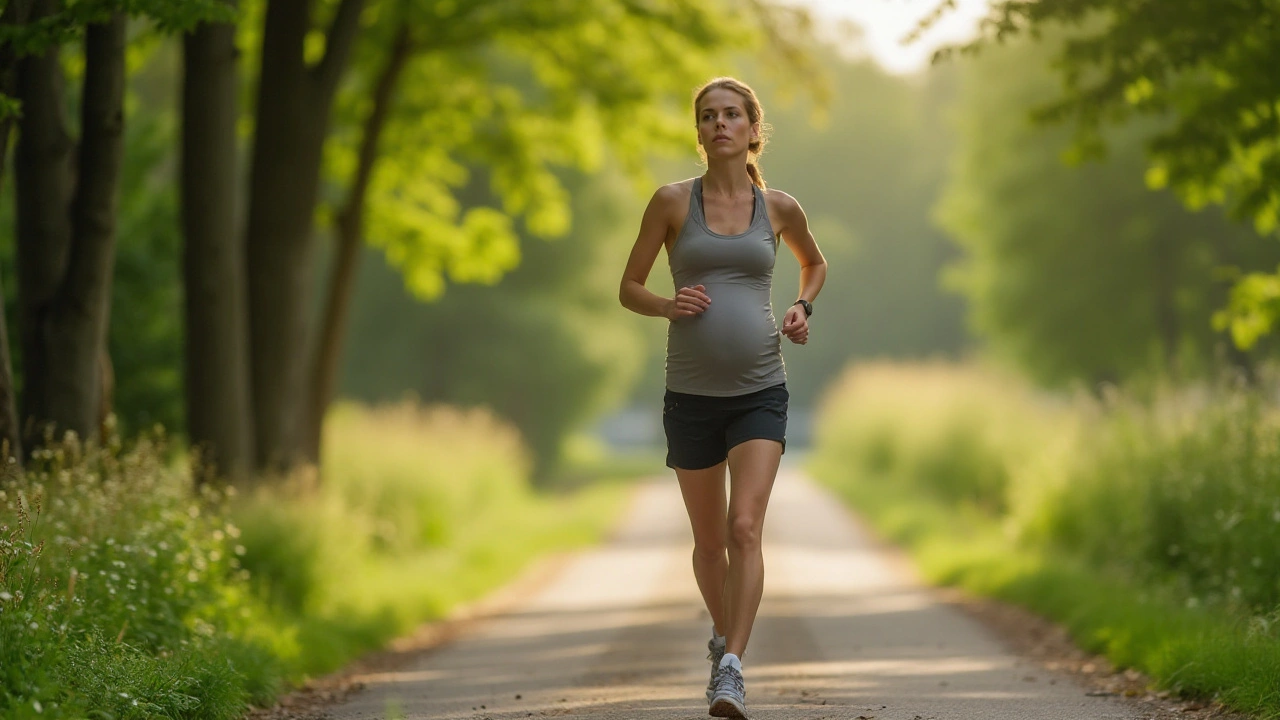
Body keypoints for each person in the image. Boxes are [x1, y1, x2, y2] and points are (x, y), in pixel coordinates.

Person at [618, 76, 827, 719]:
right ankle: (722, 640)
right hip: (690, 396)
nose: (719, 125)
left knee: (745, 527)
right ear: (700, 132)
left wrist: (800, 306)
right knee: (709, 542)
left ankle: (731, 666)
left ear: (752, 129)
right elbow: (629, 286)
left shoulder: (781, 208)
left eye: (731, 115)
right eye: (708, 116)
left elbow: (813, 265)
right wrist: (665, 303)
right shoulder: (672, 203)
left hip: (761, 388)